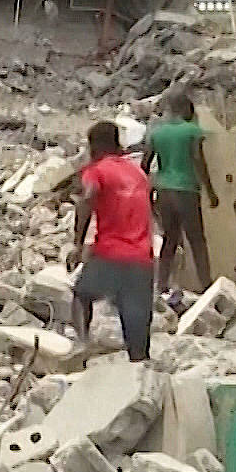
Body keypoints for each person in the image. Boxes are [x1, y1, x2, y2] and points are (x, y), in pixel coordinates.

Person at [72, 121, 156, 361]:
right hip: (142, 257)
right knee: (136, 320)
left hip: (111, 253)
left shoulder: (96, 170)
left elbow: (87, 199)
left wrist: (77, 244)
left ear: (95, 146)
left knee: (81, 295)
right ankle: (140, 366)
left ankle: (81, 345)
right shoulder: (137, 172)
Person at [143, 93, 220, 294]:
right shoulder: (192, 131)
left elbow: (144, 164)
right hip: (186, 189)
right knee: (196, 239)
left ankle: (161, 284)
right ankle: (206, 285)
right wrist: (210, 191)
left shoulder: (157, 133)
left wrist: (145, 191)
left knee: (170, 238)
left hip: (164, 190)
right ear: (186, 110)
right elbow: (198, 159)